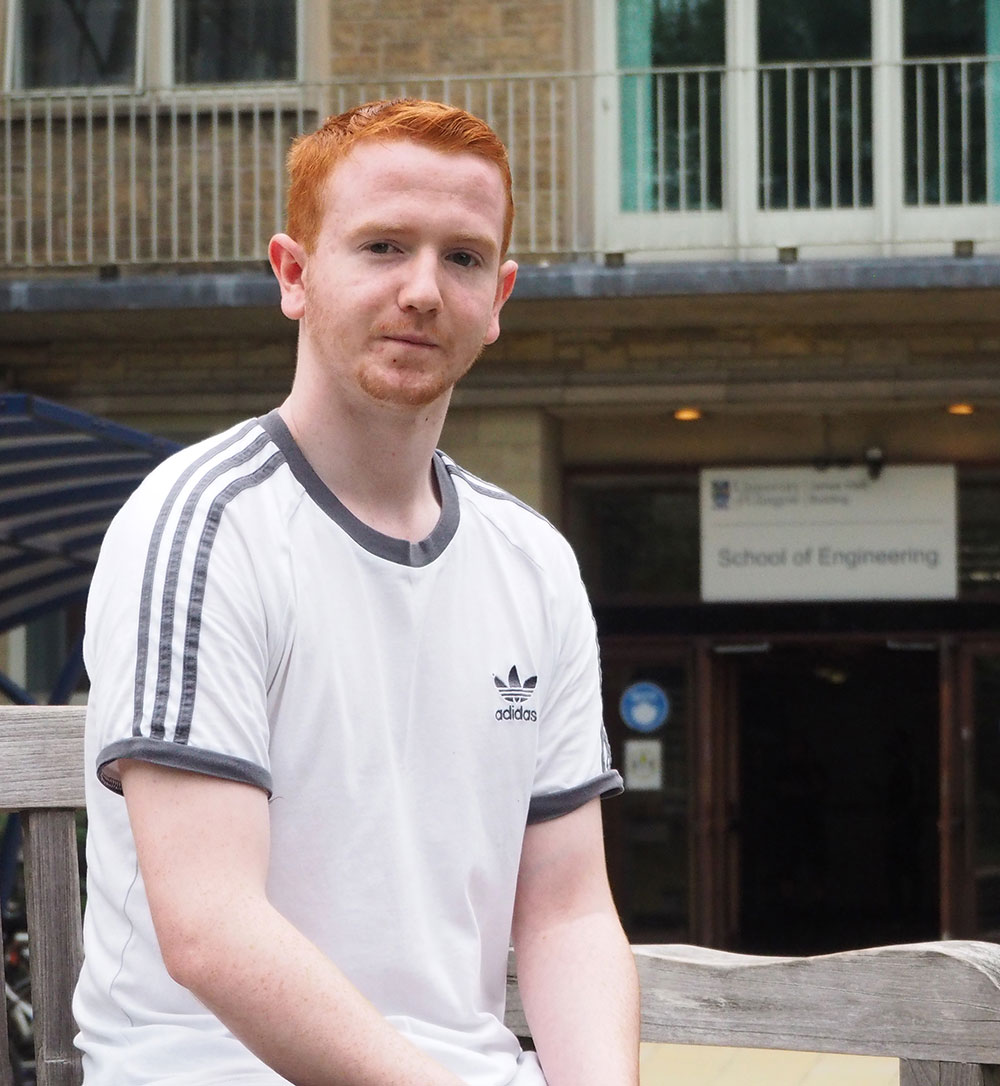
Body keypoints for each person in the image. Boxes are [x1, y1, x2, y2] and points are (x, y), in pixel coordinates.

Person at [73, 98, 640, 1086]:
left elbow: (567, 913)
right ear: (294, 274)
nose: (422, 288)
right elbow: (209, 928)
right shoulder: (206, 527)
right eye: (382, 246)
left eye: (462, 258)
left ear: (498, 296)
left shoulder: (533, 560)